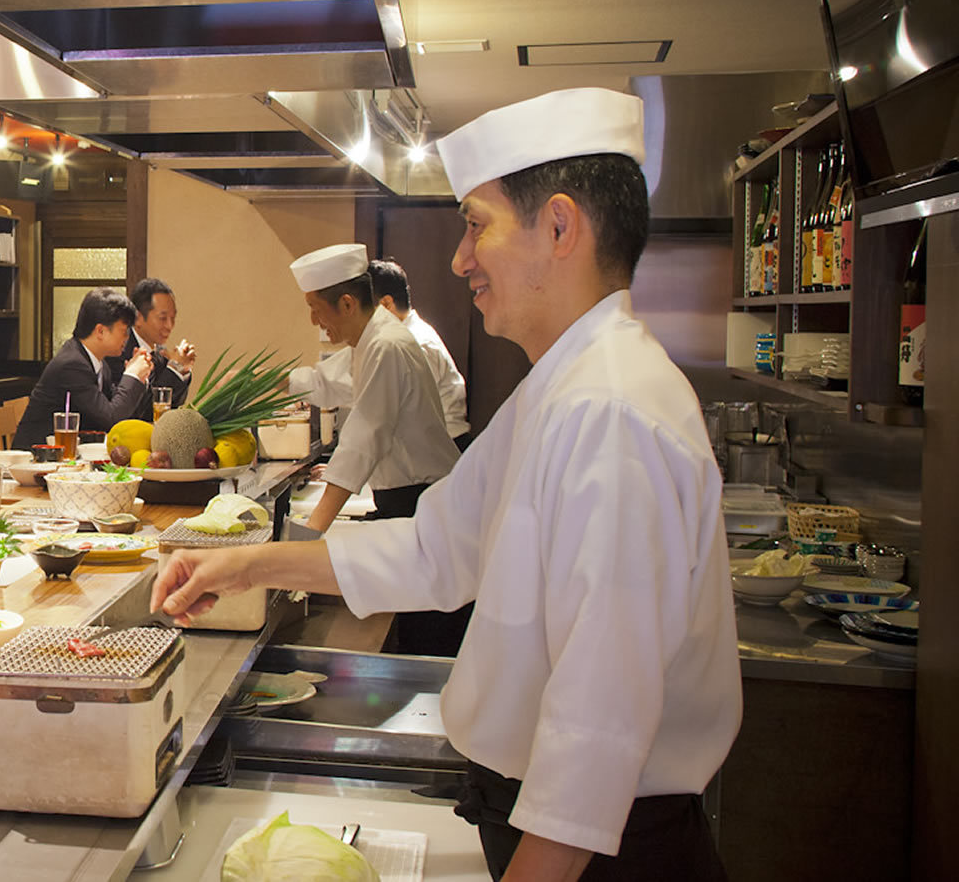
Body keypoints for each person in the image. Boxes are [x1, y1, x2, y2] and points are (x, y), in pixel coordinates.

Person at [154, 88, 740, 882]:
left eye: (475, 223)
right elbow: (437, 547)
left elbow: (596, 729)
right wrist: (246, 564)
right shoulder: (560, 387)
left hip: (605, 853)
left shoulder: (611, 409)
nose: (462, 258)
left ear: (560, 226)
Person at [288, 243, 466, 656]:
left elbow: (362, 442)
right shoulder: (371, 339)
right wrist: (262, 385)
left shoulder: (387, 345)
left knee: (430, 638)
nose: (314, 320)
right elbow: (328, 381)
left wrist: (307, 539)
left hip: (421, 503)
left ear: (347, 303)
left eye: (316, 308)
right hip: (410, 500)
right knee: (420, 626)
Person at [295, 259, 472, 450]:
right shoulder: (379, 341)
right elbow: (326, 382)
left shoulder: (412, 343)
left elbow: (375, 421)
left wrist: (342, 476)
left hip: (440, 454)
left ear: (385, 304)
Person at [11, 289, 153, 449]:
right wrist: (132, 376)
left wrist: (139, 378)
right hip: (37, 459)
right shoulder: (72, 365)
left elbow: (122, 415)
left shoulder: (98, 363)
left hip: (69, 458)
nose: (127, 338)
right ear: (101, 331)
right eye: (124, 331)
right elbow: (111, 418)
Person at [368, 258, 471, 447]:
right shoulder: (404, 336)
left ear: (386, 303)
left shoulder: (416, 343)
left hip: (443, 447)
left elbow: (406, 418)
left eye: (365, 309)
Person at [107, 278, 198, 421]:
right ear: (137, 318)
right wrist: (175, 368)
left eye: (173, 318)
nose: (170, 325)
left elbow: (171, 408)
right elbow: (141, 413)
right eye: (162, 318)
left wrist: (183, 370)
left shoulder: (160, 351)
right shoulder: (118, 351)